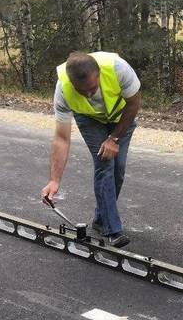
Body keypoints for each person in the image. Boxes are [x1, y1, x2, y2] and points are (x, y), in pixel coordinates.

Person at [41, 51, 141, 248]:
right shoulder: (63, 89)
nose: (88, 94)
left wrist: (114, 138)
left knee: (118, 170)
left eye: (92, 88)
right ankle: (113, 231)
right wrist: (54, 180)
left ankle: (101, 219)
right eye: (81, 91)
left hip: (122, 118)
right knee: (105, 164)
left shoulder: (119, 69)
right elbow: (62, 138)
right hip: (89, 119)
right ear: (71, 83)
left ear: (99, 75)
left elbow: (134, 103)